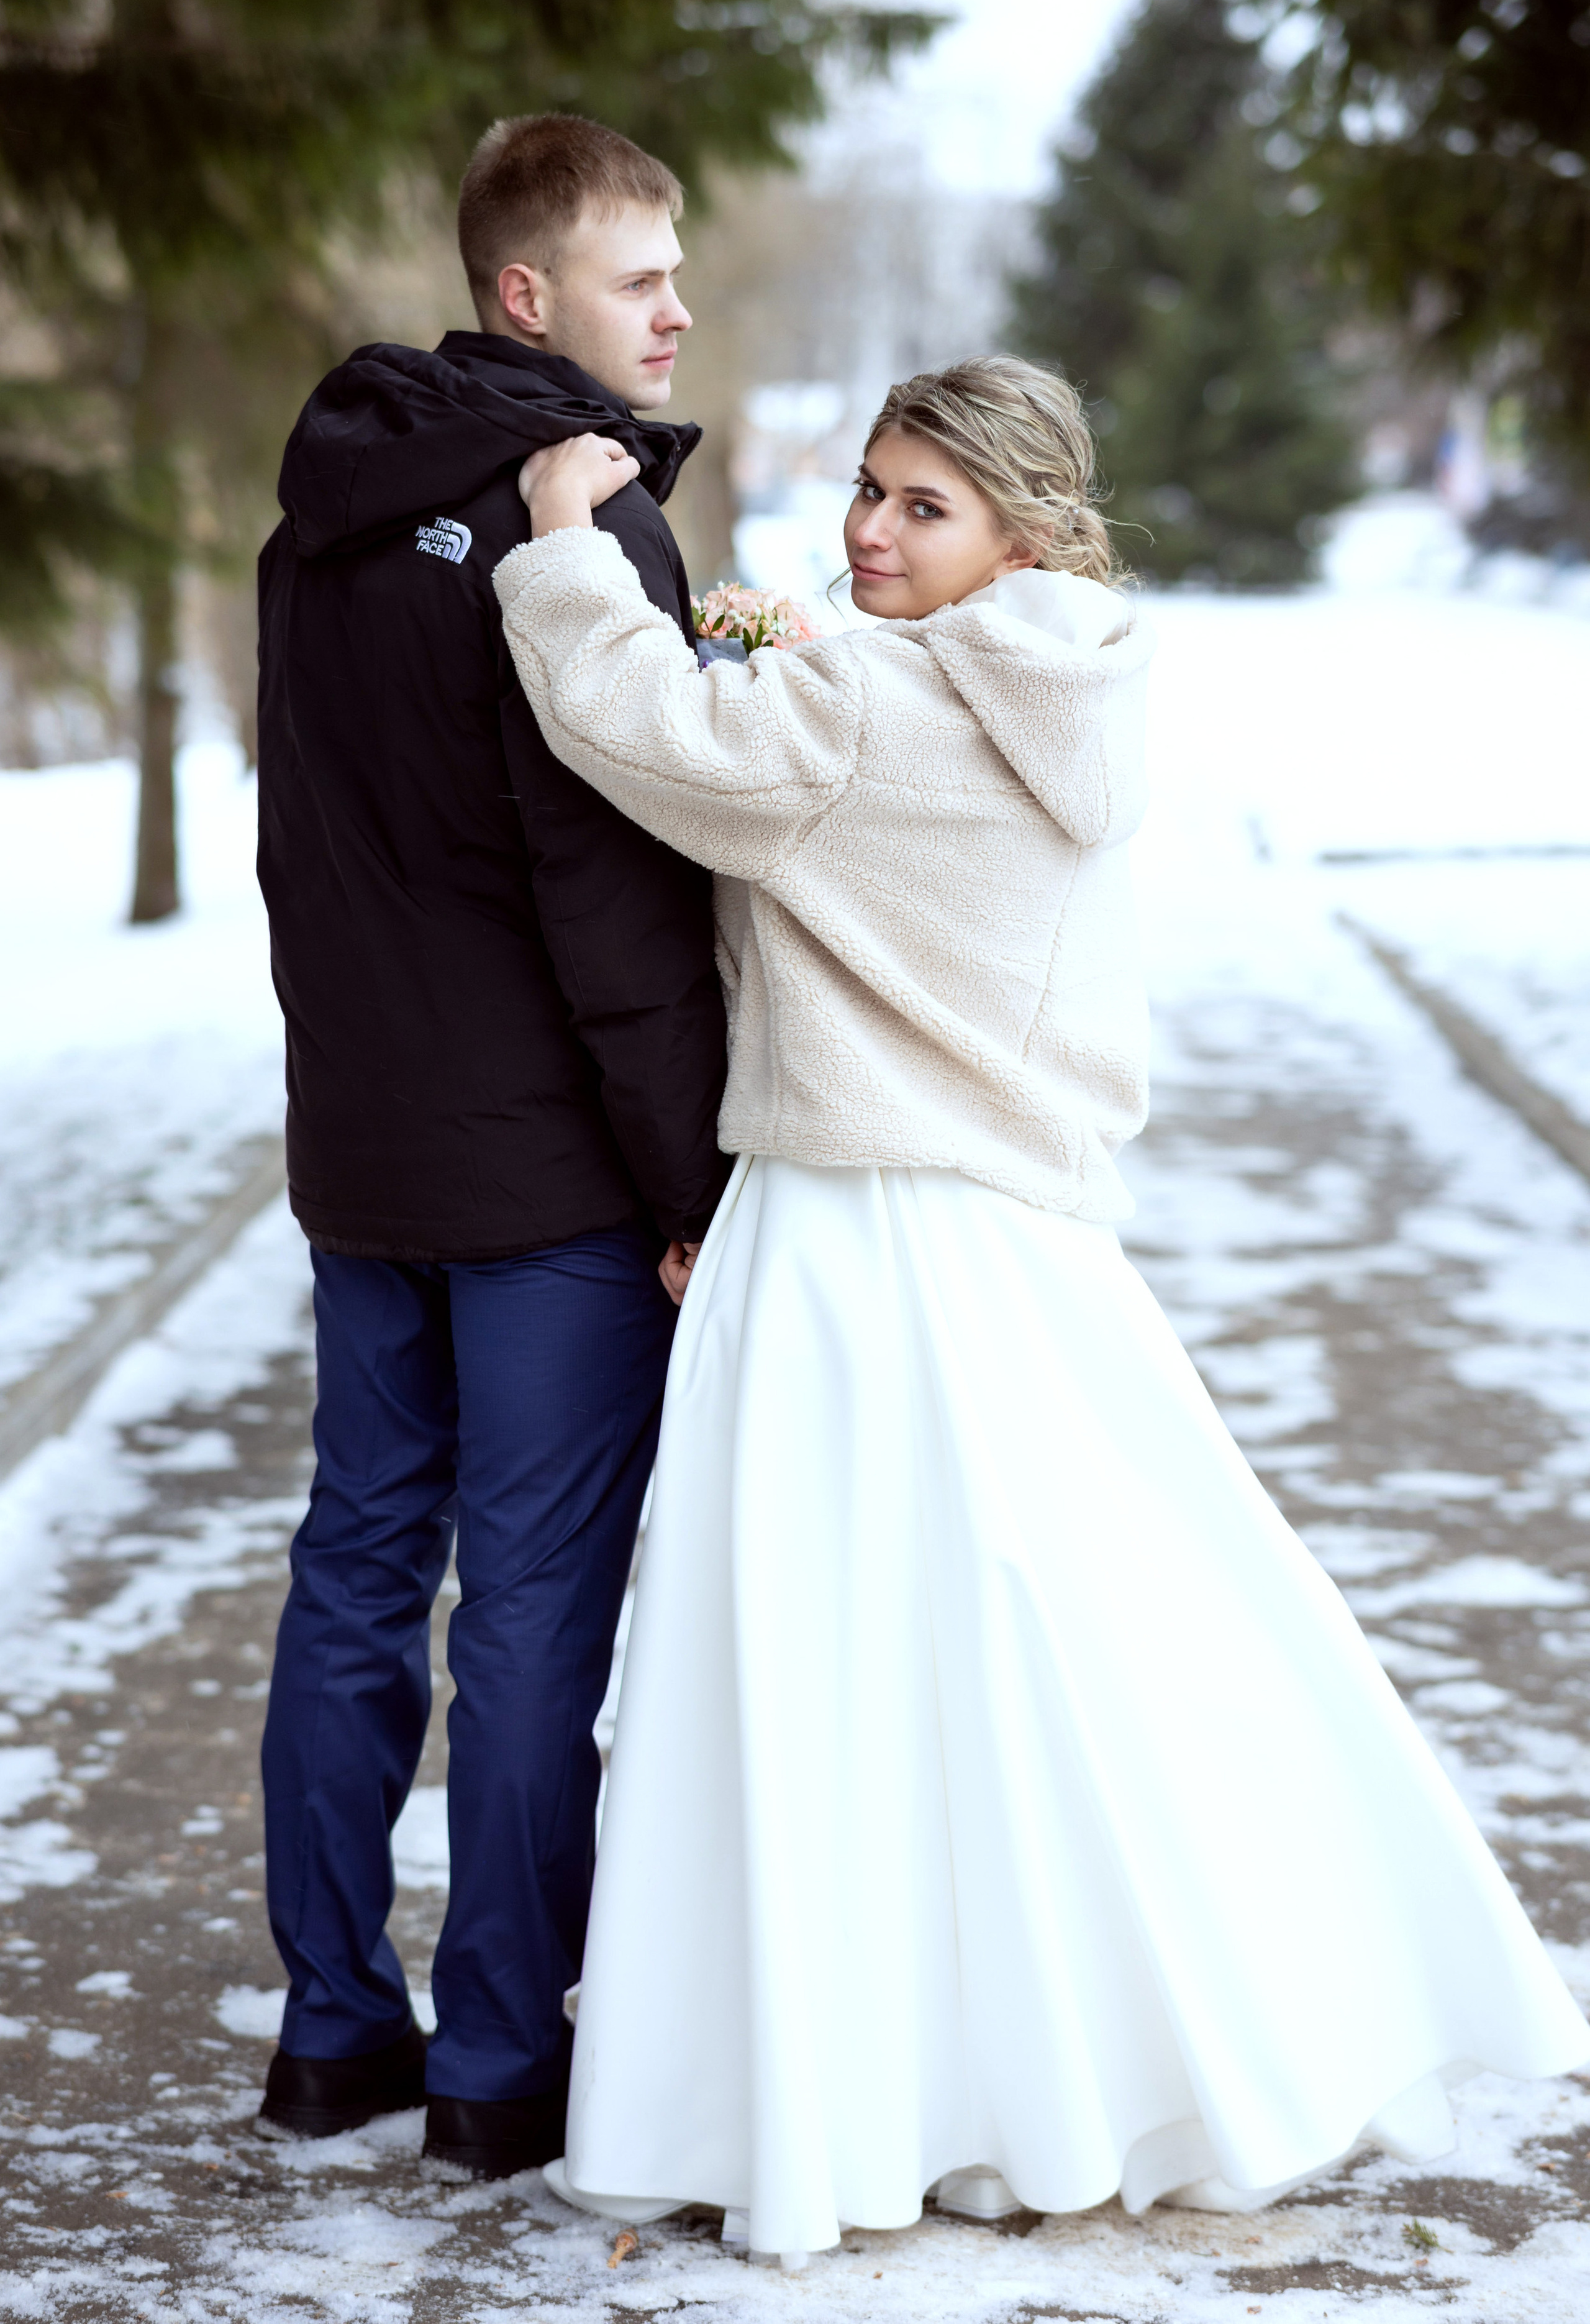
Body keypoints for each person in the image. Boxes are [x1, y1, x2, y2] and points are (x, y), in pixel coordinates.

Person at [488, 355, 1590, 2261]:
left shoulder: (861, 702)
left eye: (925, 505)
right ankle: (1089, 2055)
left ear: (1023, 529)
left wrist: (567, 545)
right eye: (869, 489)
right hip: (1023, 1247)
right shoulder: (1078, 680)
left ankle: (870, 2086)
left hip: (856, 1231)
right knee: (1041, 1669)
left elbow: (635, 725)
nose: (869, 531)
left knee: (838, 1682)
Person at [252, 114, 730, 2181]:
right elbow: (608, 899)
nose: (680, 312)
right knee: (530, 1605)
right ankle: (496, 2065)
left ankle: (333, 2029)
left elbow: (312, 849)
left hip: (366, 1153)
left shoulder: (324, 512)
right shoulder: (580, 519)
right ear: (528, 297)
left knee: (358, 1571)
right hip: (540, 1174)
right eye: (646, 279)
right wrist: (691, 1184)